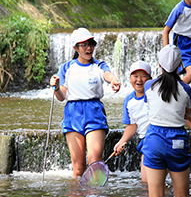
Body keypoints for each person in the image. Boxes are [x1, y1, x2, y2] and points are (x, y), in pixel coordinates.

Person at [50, 27, 121, 177]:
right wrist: (56, 87)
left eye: (91, 44)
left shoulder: (99, 65)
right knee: (78, 167)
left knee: (95, 161)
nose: (89, 48)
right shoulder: (66, 67)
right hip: (72, 113)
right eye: (84, 45)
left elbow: (107, 74)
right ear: (75, 48)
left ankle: (97, 193)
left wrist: (114, 80)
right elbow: (61, 96)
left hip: (94, 112)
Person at [141, 44, 191, 197]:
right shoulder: (186, 89)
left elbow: (154, 107)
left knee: (155, 194)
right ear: (180, 65)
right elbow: (186, 115)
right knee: (181, 194)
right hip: (177, 140)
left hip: (154, 139)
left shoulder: (148, 85)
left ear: (159, 64)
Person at [113, 60, 152, 183]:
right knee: (146, 182)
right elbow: (132, 126)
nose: (139, 80)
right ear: (129, 79)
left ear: (150, 79)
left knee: (154, 182)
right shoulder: (129, 100)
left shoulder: (154, 94)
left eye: (143, 76)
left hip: (158, 138)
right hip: (145, 142)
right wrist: (121, 142)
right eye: (135, 76)